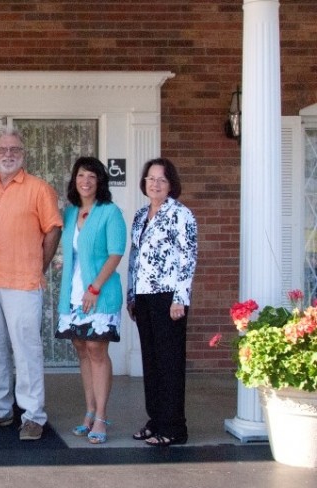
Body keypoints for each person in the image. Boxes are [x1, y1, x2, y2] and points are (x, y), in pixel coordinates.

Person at [0, 127, 62, 441]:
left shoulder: (39, 189)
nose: (8, 154)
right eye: (2, 150)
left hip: (22, 282)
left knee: (26, 352)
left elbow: (53, 231)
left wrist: (39, 265)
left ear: (23, 155)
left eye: (15, 150)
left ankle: (33, 415)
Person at [126, 157, 198, 447]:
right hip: (144, 297)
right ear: (144, 182)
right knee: (151, 362)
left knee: (169, 364)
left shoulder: (182, 215)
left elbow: (188, 258)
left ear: (171, 184)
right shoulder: (141, 216)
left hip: (169, 299)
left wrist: (180, 298)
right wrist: (132, 295)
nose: (155, 184)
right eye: (150, 179)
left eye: (161, 180)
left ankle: (174, 427)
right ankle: (155, 420)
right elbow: (135, 258)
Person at [55, 157, 126, 444]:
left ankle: (101, 417)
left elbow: (116, 253)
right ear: (74, 180)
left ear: (100, 182)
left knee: (97, 350)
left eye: (92, 177)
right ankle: (89, 411)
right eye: (81, 175)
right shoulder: (71, 213)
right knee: (82, 351)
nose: (86, 181)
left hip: (99, 294)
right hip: (72, 295)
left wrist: (94, 288)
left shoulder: (110, 212)